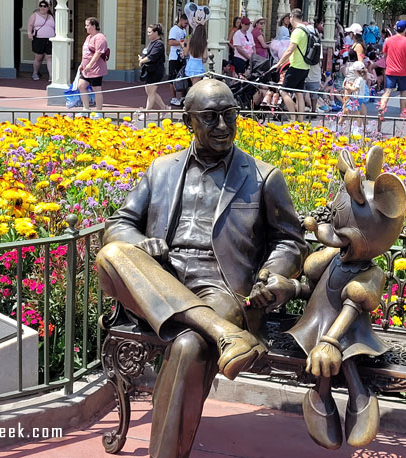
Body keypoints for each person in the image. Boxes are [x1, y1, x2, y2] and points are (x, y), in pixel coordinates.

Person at [96, 78, 308, 458]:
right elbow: (119, 223)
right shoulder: (161, 169)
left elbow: (290, 240)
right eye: (210, 118)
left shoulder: (262, 176)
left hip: (222, 290)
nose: (223, 126)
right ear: (187, 120)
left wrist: (271, 274)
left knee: (190, 344)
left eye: (230, 115)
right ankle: (224, 334)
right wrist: (141, 243)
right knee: (111, 254)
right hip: (161, 282)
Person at [269, 8, 310, 122]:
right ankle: (301, 121)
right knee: (299, 93)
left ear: (292, 17)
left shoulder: (297, 31)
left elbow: (289, 50)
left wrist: (279, 64)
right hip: (305, 66)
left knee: (283, 91)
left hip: (296, 66)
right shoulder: (306, 30)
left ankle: (293, 118)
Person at [379, 20, 406, 118]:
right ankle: (402, 114)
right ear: (405, 29)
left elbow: (384, 55)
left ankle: (381, 110)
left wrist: (388, 64)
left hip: (390, 71)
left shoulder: (388, 40)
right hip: (403, 72)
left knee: (387, 91)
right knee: (403, 92)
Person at [78, 17, 108, 114]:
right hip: (86, 69)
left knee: (96, 88)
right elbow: (86, 52)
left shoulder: (100, 37)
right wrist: (82, 64)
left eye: (87, 25)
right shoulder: (88, 37)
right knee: (81, 85)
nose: (85, 27)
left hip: (96, 69)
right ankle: (86, 108)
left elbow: (98, 53)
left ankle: (98, 112)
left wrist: (90, 64)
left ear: (94, 26)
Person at [139, 24, 167, 113]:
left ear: (156, 32)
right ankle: (164, 108)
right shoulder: (151, 43)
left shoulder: (159, 44)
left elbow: (152, 56)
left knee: (151, 93)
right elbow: (146, 53)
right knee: (150, 92)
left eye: (150, 32)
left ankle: (146, 113)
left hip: (156, 71)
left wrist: (142, 61)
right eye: (147, 32)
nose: (148, 34)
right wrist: (141, 58)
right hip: (149, 70)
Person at [27, 1, 55, 82]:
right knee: (38, 57)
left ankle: (51, 76)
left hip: (49, 39)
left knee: (49, 57)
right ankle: (35, 73)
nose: (42, 8)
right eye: (41, 6)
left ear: (48, 7)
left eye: (45, 6)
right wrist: (29, 33)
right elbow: (30, 25)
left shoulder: (51, 16)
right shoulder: (34, 15)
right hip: (38, 39)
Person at [167, 14, 188, 106]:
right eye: (185, 22)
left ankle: (183, 96)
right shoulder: (174, 29)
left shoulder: (184, 30)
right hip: (174, 58)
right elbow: (171, 42)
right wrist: (181, 42)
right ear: (181, 20)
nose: (186, 24)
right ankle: (173, 98)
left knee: (182, 77)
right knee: (173, 77)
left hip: (182, 57)